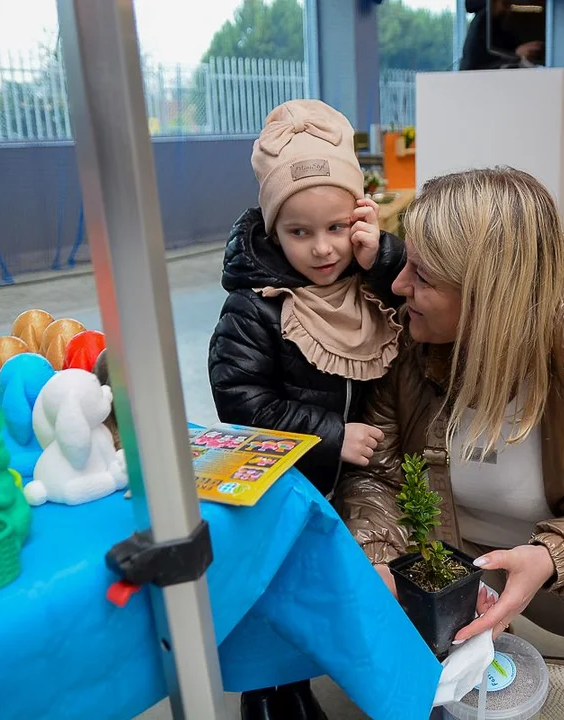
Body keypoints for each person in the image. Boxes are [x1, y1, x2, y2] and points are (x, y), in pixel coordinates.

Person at [336, 168, 564, 690]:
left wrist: (553, 557)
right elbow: (377, 474)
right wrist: (379, 561)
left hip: (557, 560)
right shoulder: (408, 336)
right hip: (443, 546)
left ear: (489, 298)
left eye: (422, 276)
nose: (398, 286)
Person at [208, 99, 405, 720]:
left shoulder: (370, 283)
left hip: (352, 480)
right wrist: (330, 434)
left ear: (360, 218)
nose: (323, 249)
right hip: (283, 477)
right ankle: (270, 694)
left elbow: (420, 298)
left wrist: (385, 257)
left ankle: (309, 673)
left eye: (338, 228)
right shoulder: (257, 306)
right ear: (273, 231)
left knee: (322, 585)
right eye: (299, 232)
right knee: (273, 584)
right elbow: (239, 398)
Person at [460, 0, 544, 71]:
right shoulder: (485, 22)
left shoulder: (494, 24)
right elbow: (482, 62)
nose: (508, 9)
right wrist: (517, 54)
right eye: (505, 3)